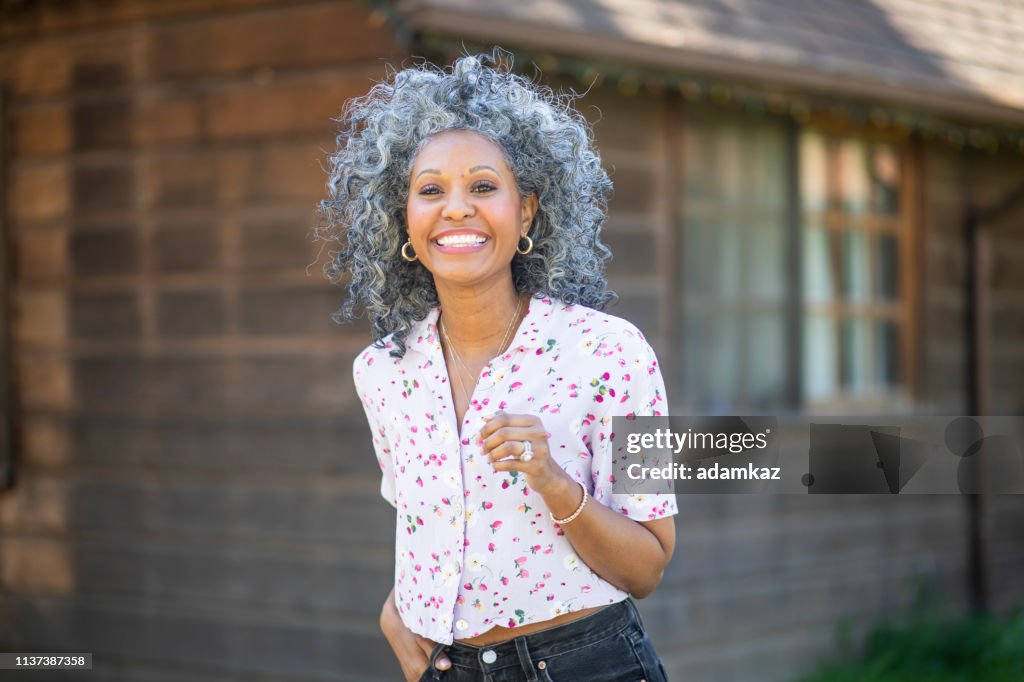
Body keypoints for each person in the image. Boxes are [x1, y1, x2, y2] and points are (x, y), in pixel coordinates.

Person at [319, 49, 678, 682]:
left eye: (483, 186)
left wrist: (553, 480)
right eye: (430, 190)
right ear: (403, 217)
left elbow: (648, 566)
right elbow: (426, 521)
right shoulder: (382, 371)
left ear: (528, 210)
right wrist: (398, 610)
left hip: (587, 665)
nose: (456, 208)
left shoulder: (613, 351)